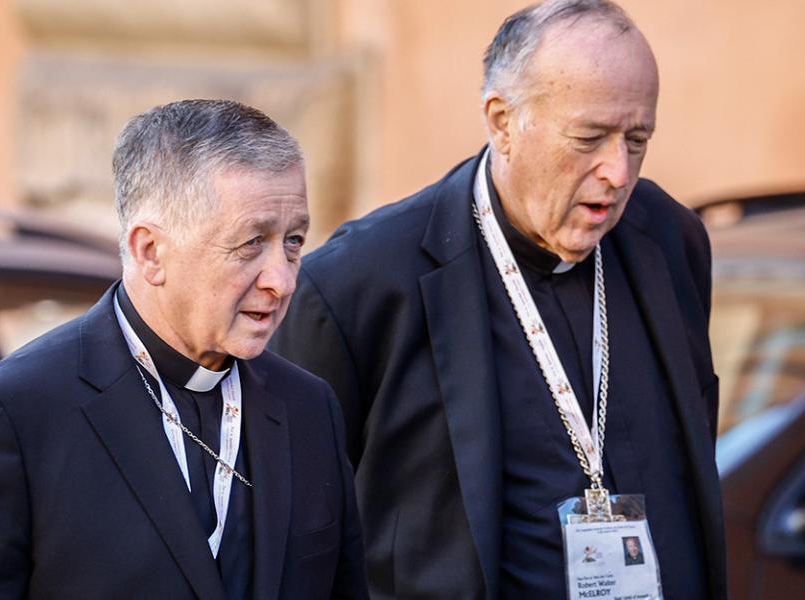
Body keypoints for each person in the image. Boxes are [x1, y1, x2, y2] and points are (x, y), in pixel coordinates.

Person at [270, 1, 726, 598]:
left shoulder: (670, 241)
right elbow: (292, 537)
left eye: (637, 139)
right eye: (589, 137)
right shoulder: (359, 286)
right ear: (503, 121)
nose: (618, 171)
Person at [0, 99, 368, 599]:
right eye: (251, 243)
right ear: (150, 251)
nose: (283, 280)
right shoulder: (10, 416)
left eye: (293, 241)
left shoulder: (309, 408)